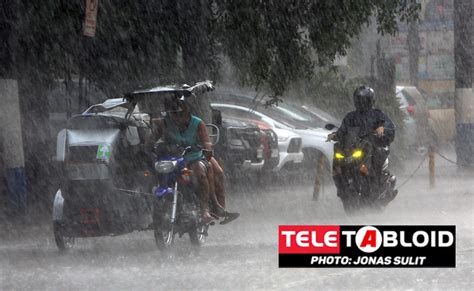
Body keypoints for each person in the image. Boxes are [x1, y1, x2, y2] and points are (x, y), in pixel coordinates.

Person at [159, 96, 239, 224]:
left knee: (207, 173)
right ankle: (150, 210)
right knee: (151, 174)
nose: (177, 118)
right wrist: (145, 149)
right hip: (171, 159)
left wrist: (207, 149)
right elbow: (151, 141)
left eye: (180, 114)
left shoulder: (198, 123)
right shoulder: (164, 123)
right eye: (174, 114)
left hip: (194, 156)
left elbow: (206, 141)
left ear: (187, 112)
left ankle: (211, 208)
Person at [327, 85, 397, 202]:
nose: (361, 103)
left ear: (370, 101)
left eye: (364, 100)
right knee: (338, 164)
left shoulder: (377, 114)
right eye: (359, 100)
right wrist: (335, 135)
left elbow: (388, 125)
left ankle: (380, 185)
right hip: (353, 148)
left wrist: (382, 128)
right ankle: (342, 187)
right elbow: (343, 130)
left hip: (371, 147)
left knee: (377, 158)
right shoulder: (350, 117)